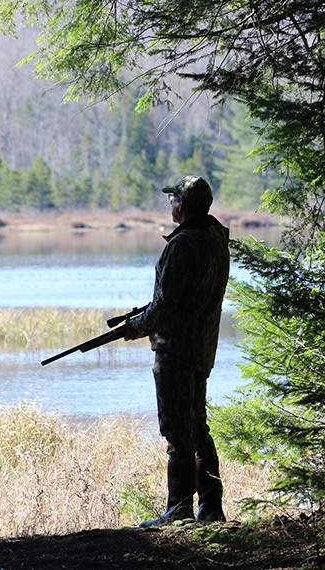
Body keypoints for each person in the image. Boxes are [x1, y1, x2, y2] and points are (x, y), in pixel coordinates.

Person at [124, 175, 230, 526]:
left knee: (177, 432)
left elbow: (166, 303)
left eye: (173, 200)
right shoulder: (215, 238)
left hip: (176, 350)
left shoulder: (183, 244)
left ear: (181, 205)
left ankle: (179, 509)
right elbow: (185, 296)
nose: (170, 204)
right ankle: (211, 508)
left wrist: (138, 326)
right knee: (198, 428)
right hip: (202, 348)